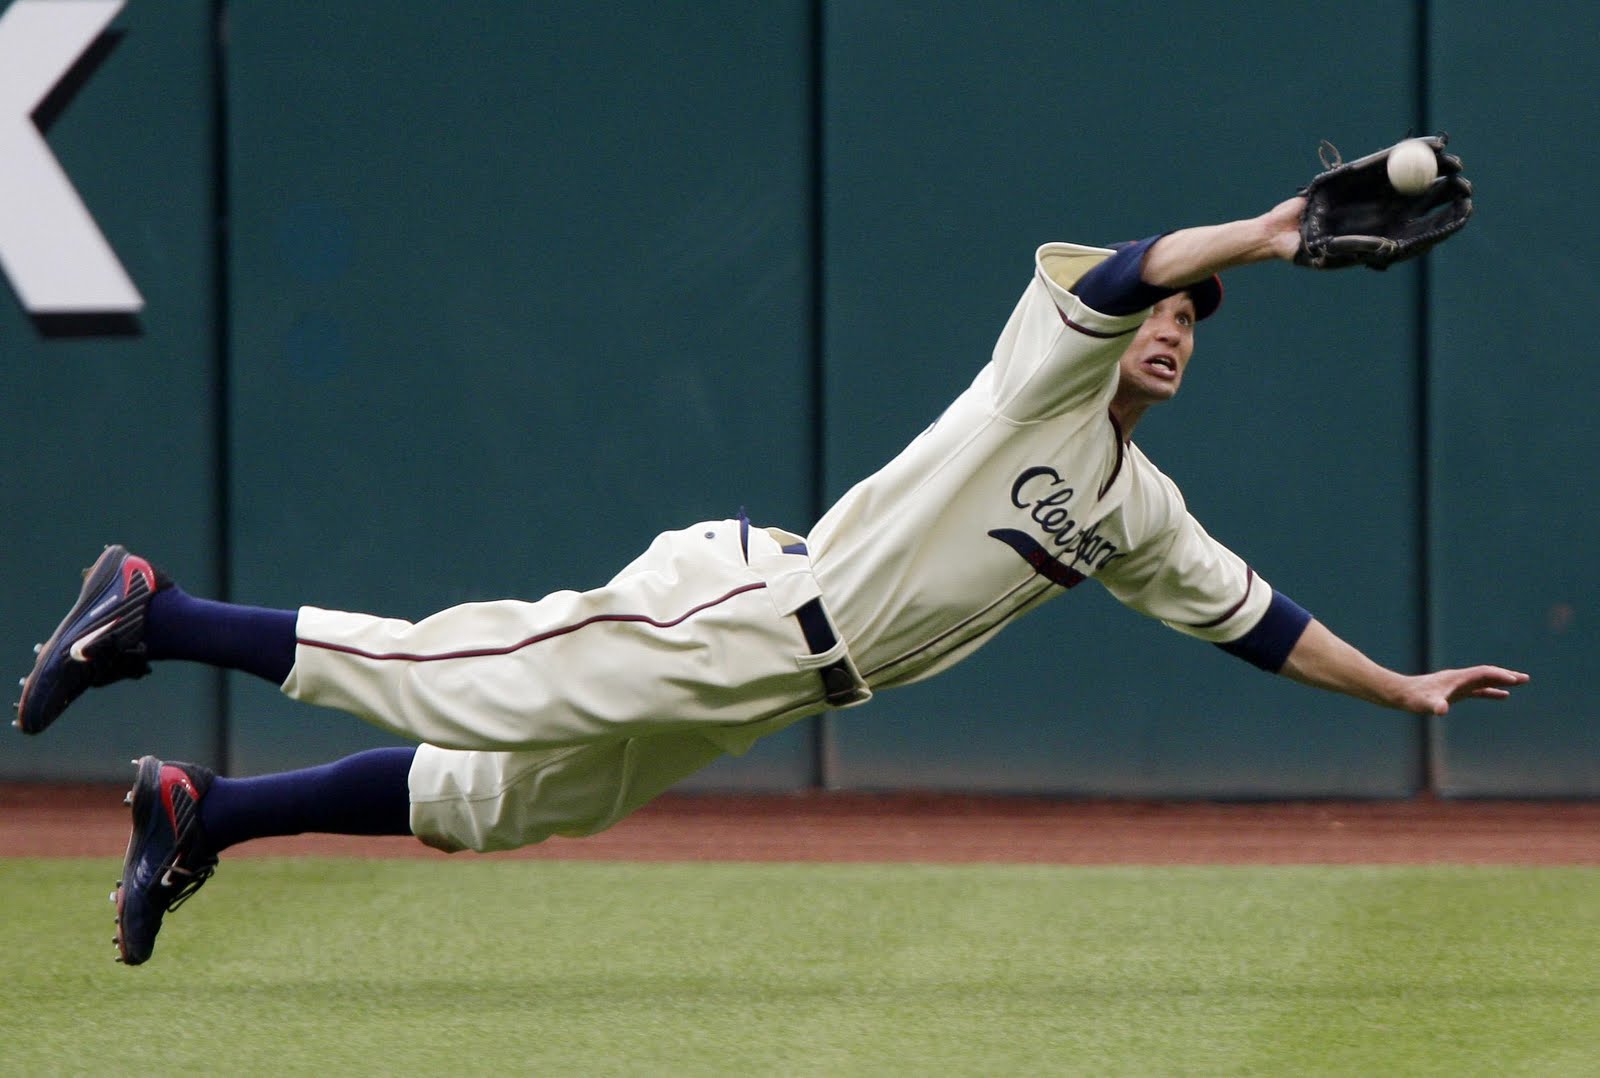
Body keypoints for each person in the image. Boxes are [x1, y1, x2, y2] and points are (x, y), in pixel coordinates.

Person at [15, 193, 1528, 966]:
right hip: (746, 612)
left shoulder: (1139, 508)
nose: (1177, 326)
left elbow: (1257, 621)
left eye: (1203, 320)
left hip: (780, 663)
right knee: (466, 674)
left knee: (520, 797)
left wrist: (1397, 681)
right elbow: (1115, 269)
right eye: (1173, 311)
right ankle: (155, 608)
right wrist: (1261, 236)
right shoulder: (1041, 384)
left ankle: (202, 808)